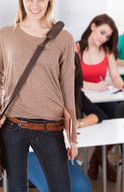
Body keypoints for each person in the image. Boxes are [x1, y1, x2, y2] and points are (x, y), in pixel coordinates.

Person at [0, 0, 77, 191]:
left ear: (50, 0)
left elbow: (68, 88)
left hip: (51, 127)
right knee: (16, 188)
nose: (35, 5)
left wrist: (72, 137)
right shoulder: (5, 34)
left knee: (62, 187)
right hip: (13, 125)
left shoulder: (64, 38)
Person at [28, 53, 103, 192]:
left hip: (60, 151)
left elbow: (98, 114)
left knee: (83, 188)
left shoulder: (73, 91)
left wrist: (77, 123)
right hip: (32, 151)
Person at [76, 13, 124, 181]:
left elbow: (114, 76)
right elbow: (69, 80)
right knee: (103, 119)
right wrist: (93, 86)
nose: (104, 38)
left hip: (101, 96)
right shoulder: (75, 48)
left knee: (117, 117)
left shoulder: (107, 50)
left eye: (107, 36)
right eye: (102, 33)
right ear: (93, 26)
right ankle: (105, 165)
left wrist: (120, 83)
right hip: (80, 97)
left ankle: (95, 161)